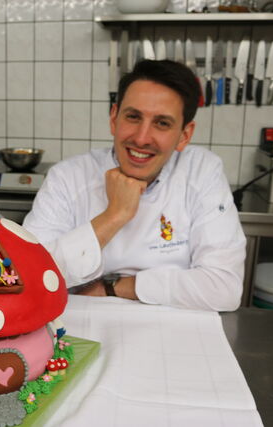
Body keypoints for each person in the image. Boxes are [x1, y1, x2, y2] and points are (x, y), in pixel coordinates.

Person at [23, 59, 246, 311]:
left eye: (162, 123)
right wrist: (114, 215)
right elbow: (28, 278)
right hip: (80, 324)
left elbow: (224, 288)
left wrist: (115, 287)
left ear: (184, 135)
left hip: (173, 327)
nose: (141, 138)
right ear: (114, 118)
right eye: (133, 117)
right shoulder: (67, 178)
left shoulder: (201, 172)